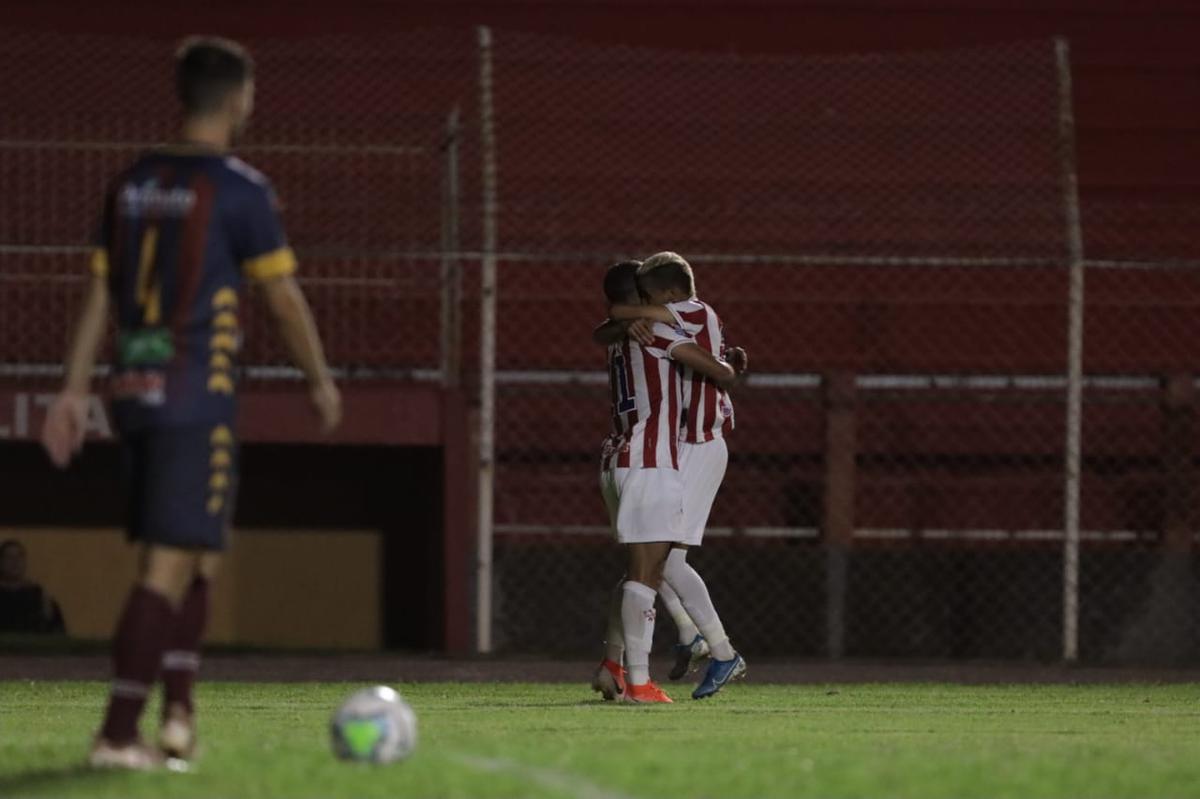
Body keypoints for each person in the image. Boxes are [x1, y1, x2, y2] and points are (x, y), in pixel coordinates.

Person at [40, 37, 341, 770]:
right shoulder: (239, 187)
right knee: (169, 565)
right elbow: (282, 295)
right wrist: (319, 378)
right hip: (193, 393)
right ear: (240, 98)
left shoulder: (133, 182)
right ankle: (117, 732)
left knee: (198, 556)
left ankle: (177, 715)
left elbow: (101, 292)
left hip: (135, 389)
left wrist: (76, 388)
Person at [590, 260, 741, 704]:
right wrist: (726, 366)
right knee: (650, 571)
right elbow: (719, 371)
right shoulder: (655, 332)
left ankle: (616, 665)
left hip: (616, 459)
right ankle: (647, 677)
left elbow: (604, 330)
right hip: (651, 459)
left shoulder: (618, 341)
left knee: (644, 569)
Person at [0, 539, 67, 635]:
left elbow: (58, 631)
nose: (15, 561)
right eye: (9, 557)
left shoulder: (38, 595)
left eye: (20, 556)